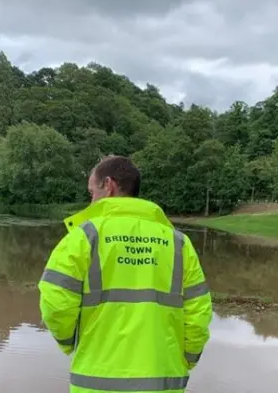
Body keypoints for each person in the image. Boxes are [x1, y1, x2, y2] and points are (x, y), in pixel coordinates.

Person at [38, 155, 213, 393]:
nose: (91, 201)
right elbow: (198, 313)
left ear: (108, 186)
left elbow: (55, 302)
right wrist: (187, 359)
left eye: (91, 192)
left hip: (96, 381)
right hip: (163, 382)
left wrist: (71, 343)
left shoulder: (84, 237)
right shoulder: (179, 243)